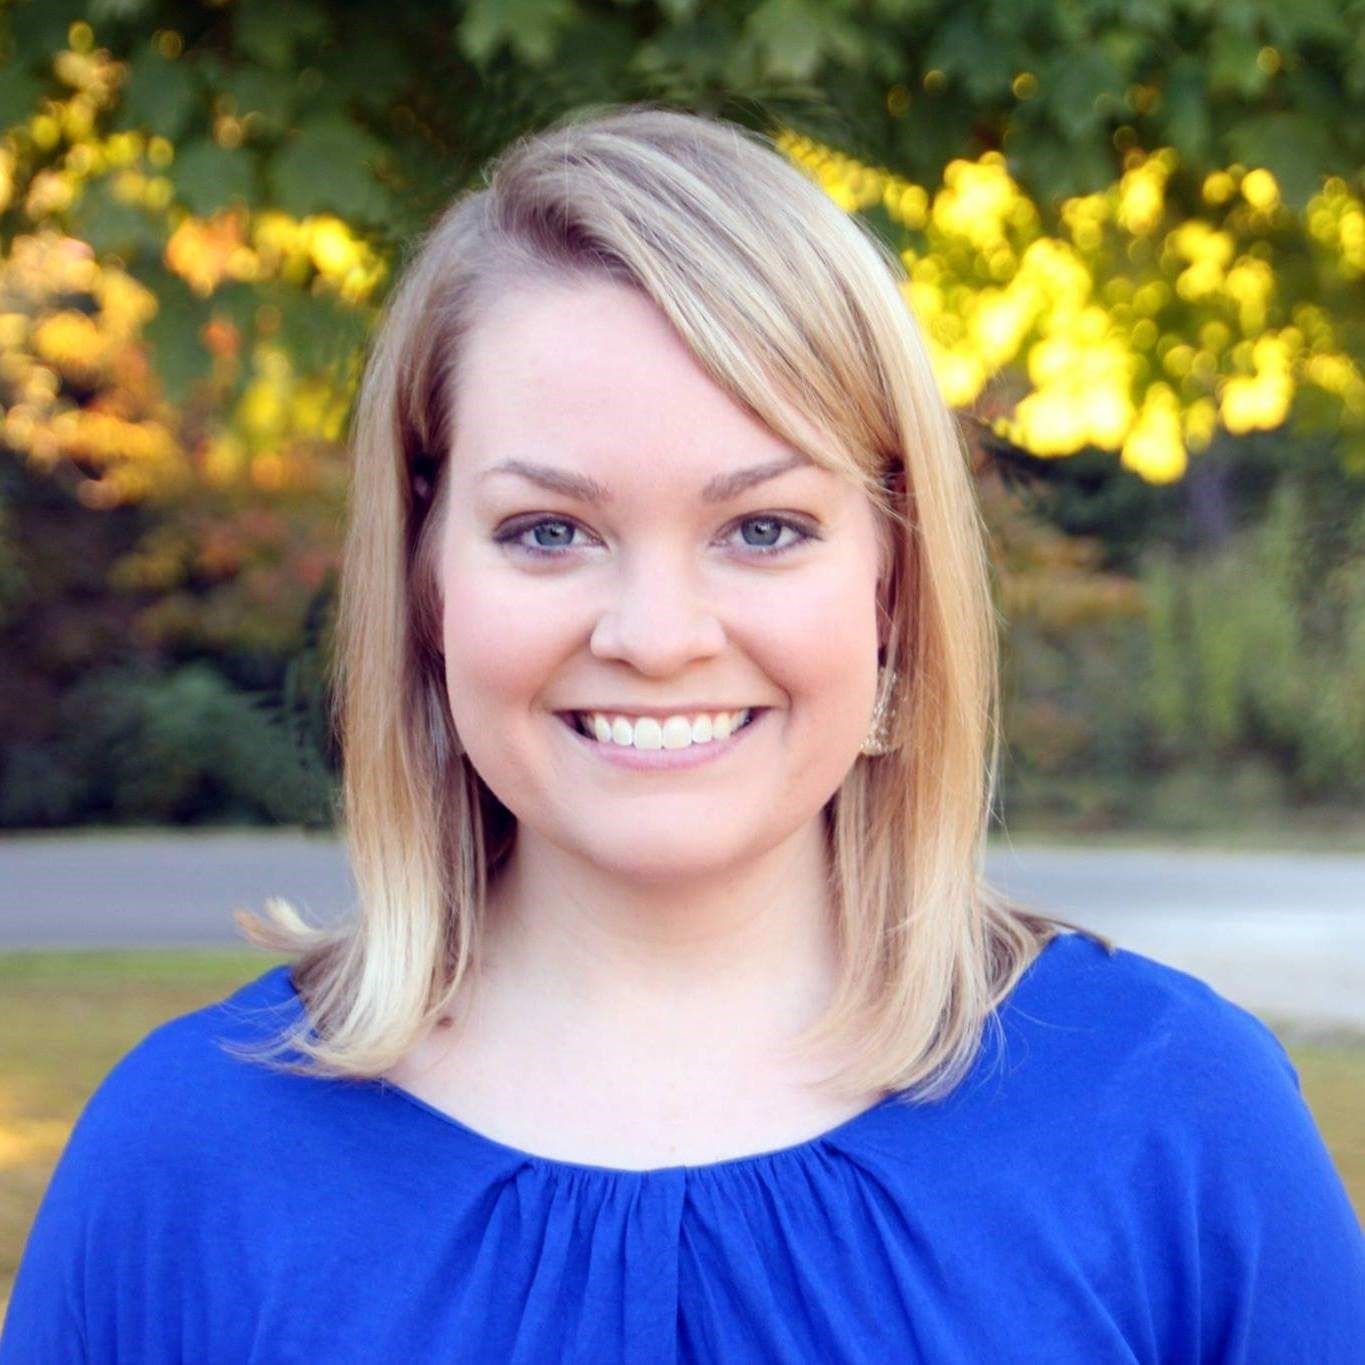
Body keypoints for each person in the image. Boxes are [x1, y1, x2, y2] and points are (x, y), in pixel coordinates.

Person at [3, 103, 1363, 1364]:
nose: (657, 634)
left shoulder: (1171, 1116)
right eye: (549, 530)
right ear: (422, 581)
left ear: (890, 581)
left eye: (761, 527)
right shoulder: (188, 1158)